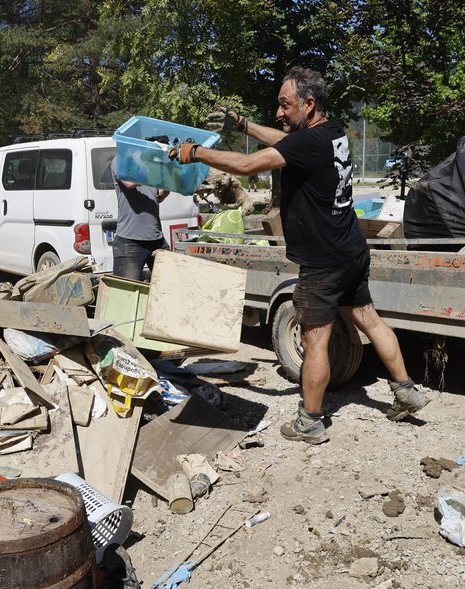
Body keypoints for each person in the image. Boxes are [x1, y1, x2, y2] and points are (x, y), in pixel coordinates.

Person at [170, 66, 429, 444]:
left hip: (324, 262)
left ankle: (309, 421)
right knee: (370, 320)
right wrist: (243, 125)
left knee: (314, 341)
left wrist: (196, 152)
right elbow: (283, 142)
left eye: (285, 104)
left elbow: (246, 165)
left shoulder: (308, 142)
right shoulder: (331, 131)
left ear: (308, 105)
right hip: (351, 250)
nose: (279, 112)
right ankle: (406, 391)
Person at [110, 156, 171, 281]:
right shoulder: (121, 160)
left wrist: (168, 183)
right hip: (130, 242)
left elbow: (157, 196)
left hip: (157, 239)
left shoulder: (152, 162)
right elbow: (130, 183)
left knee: (169, 285)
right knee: (126, 294)